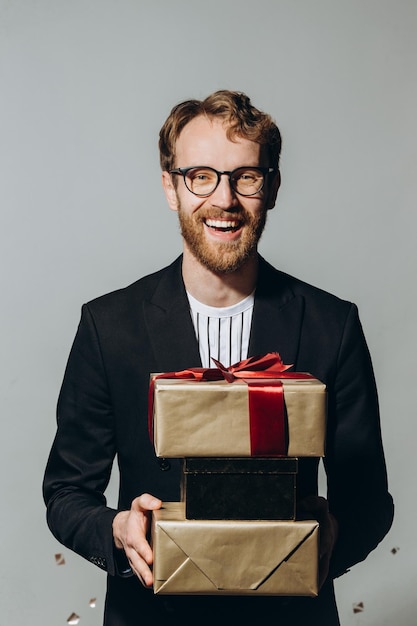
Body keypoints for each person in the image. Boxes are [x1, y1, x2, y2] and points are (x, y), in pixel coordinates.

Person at [43, 90, 394, 625]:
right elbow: (67, 491)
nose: (224, 199)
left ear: (272, 187)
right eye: (200, 176)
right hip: (152, 614)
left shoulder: (331, 325)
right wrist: (117, 530)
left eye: (245, 176)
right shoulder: (109, 326)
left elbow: (368, 499)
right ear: (171, 187)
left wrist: (332, 539)